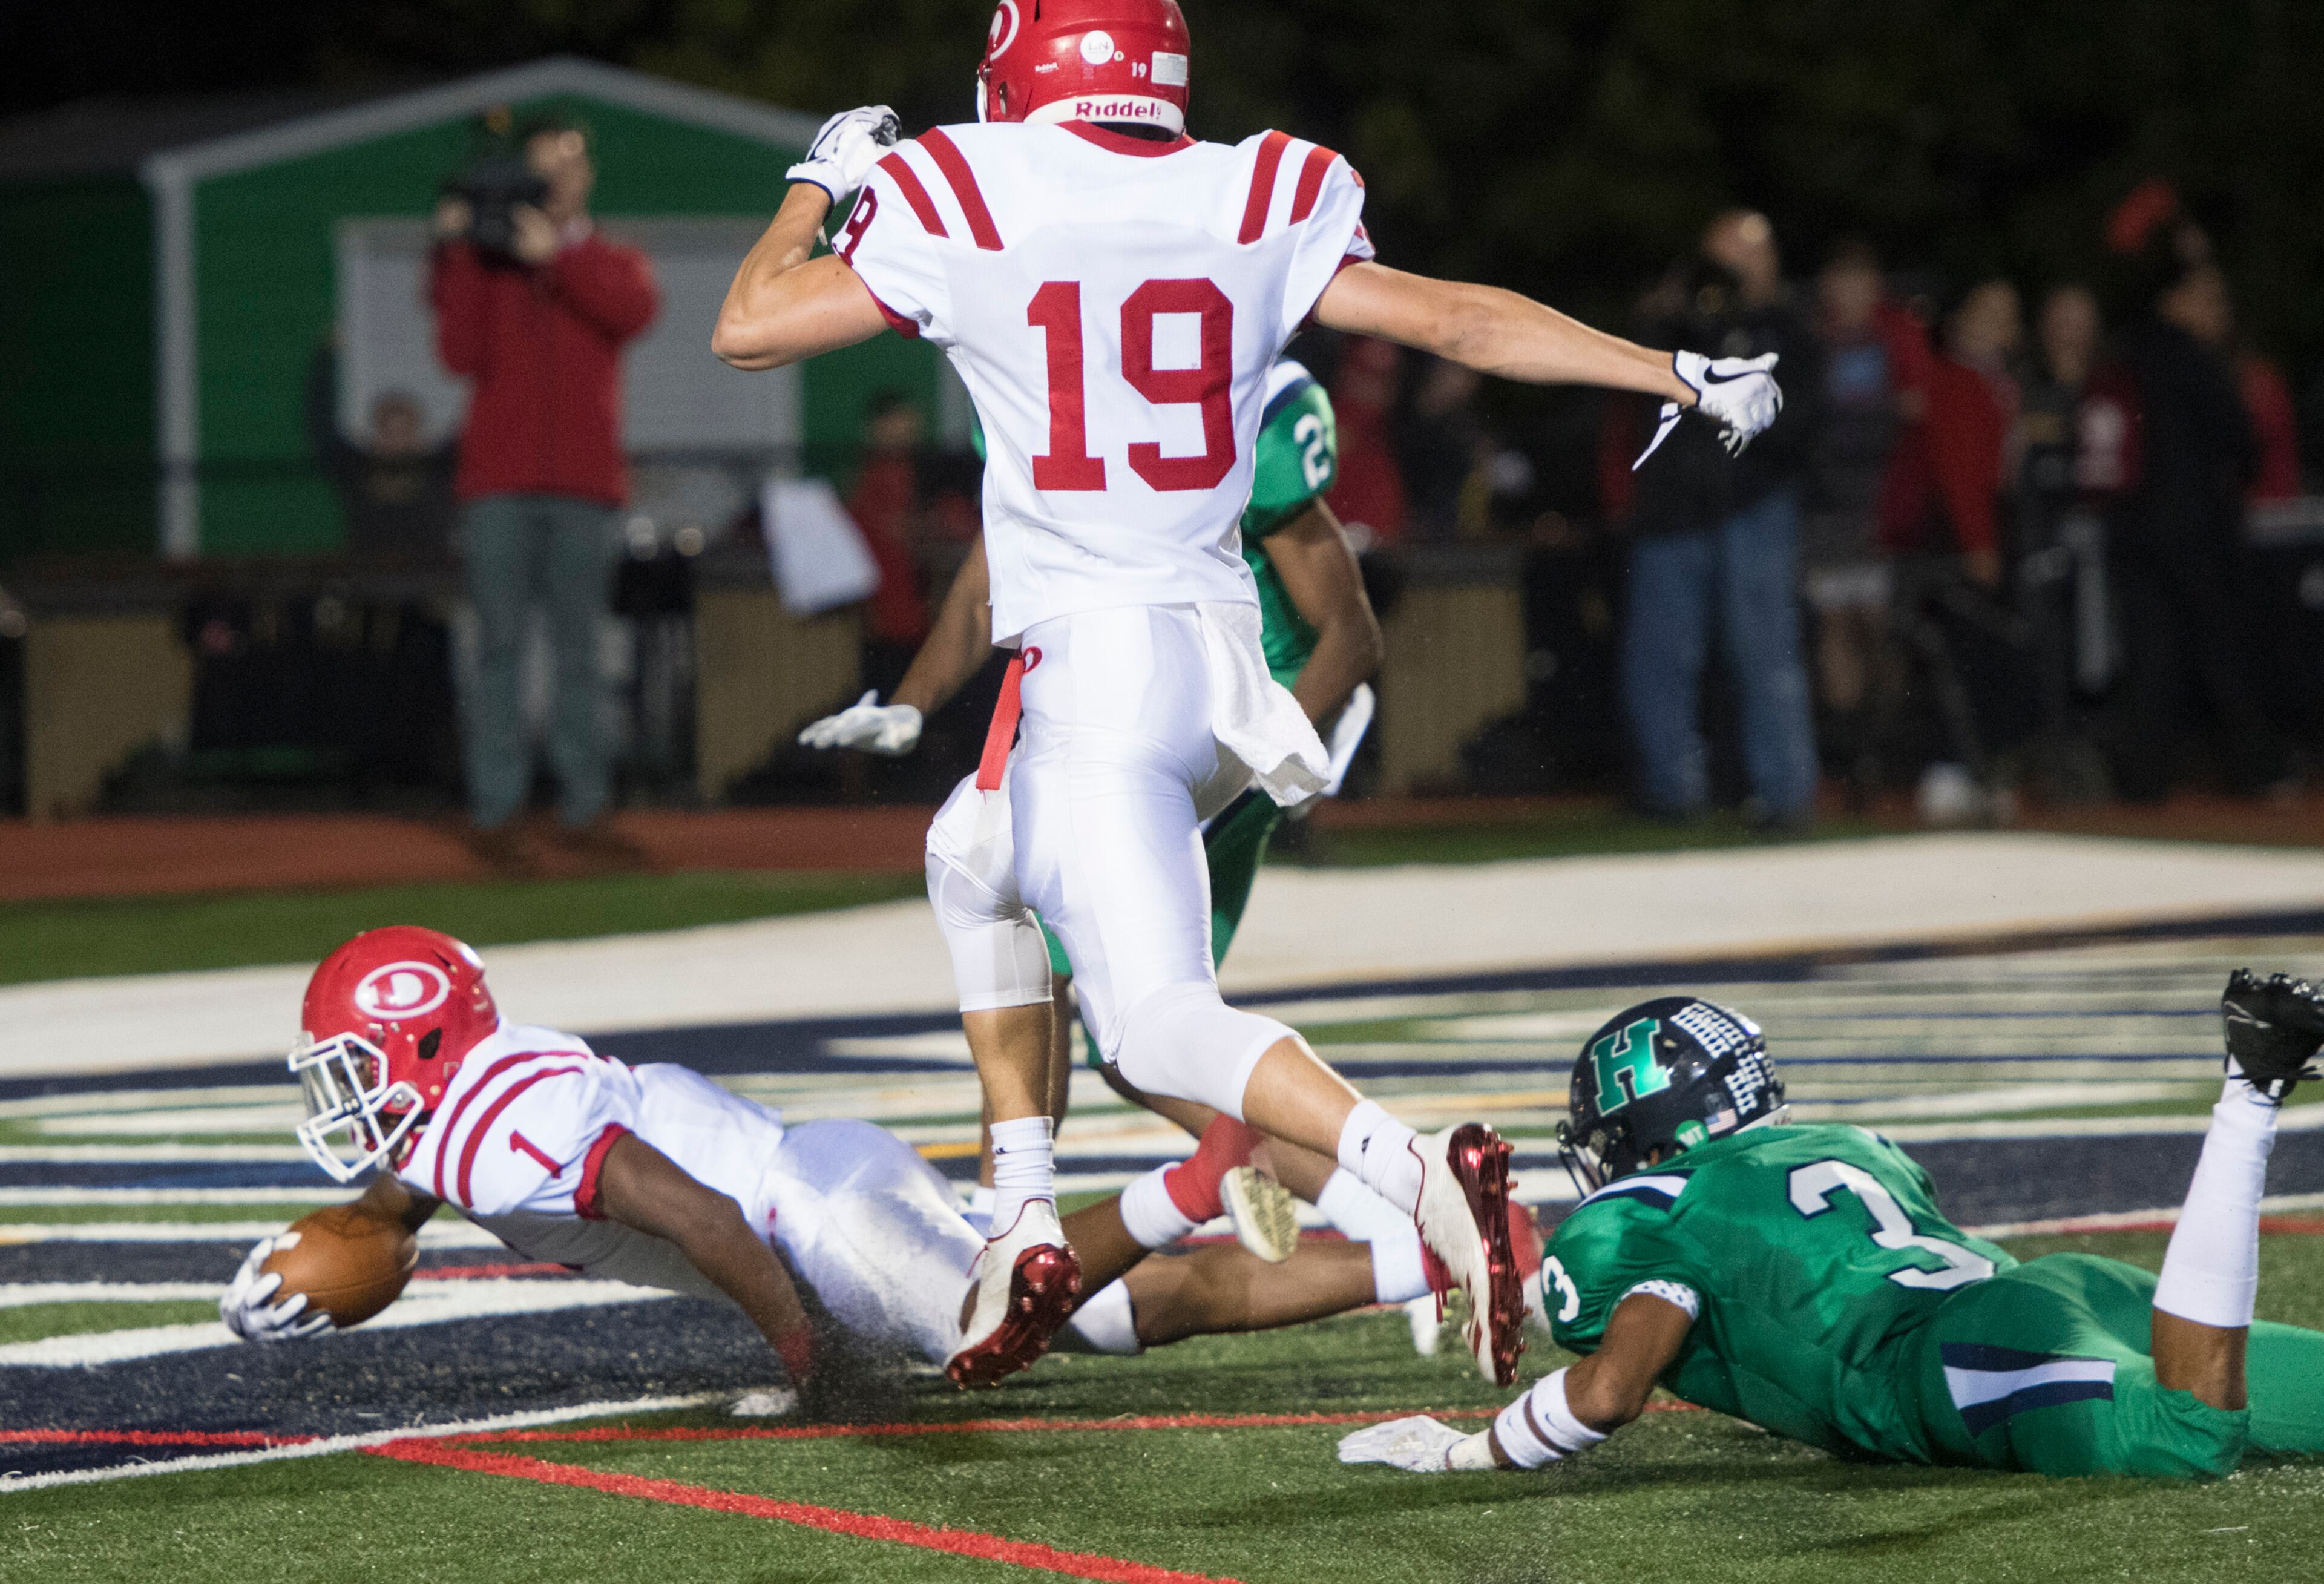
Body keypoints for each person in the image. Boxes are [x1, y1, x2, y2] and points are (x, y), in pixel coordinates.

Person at [711, 0, 1782, 1392]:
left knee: (1156, 1021)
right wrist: (1669, 372)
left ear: (1015, 64)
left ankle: (1417, 1176)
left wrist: (818, 177)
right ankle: (1023, 1211)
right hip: (1228, 669)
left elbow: (746, 327)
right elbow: (1457, 319)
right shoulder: (1253, 185)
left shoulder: (963, 183)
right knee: (967, 851)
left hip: (1098, 670)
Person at [804, 355, 1393, 1367]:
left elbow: (1349, 626)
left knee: (1102, 1003)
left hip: (1208, 735)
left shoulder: (1242, 392)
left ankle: (1391, 1204)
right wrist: (911, 697)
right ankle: (1329, 1193)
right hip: (1107, 715)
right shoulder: (1038, 383)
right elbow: (994, 572)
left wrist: (1275, 748)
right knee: (1114, 1027)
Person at [219, 927, 1443, 1389]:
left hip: (808, 1213)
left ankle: (1196, 1174)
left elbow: (698, 1218)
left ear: (423, 1047)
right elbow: (395, 1206)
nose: (344, 1092)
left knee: (985, 1333)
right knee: (1120, 1320)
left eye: (356, 1064)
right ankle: (1418, 1259)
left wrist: (813, 1363)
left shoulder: (490, 1132)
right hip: (826, 1181)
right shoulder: (474, 1101)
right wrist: (318, 1266)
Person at [1341, 976, 2324, 1479]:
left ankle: (2249, 1087)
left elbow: (1609, 1390)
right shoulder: (1847, 1141)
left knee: (2188, 1434)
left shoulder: (1640, 1215)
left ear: (1639, 1131)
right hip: (2054, 1291)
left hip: (1954, 1361)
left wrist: (1471, 1449)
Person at [431, 115, 660, 864]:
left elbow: (632, 313)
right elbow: (458, 354)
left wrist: (556, 256)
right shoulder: (488, 266)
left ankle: (582, 807)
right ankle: (497, 811)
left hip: (585, 485)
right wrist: (462, 248)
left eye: (571, 161)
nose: (559, 176)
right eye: (543, 163)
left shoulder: (608, 258)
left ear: (588, 174)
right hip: (498, 481)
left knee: (580, 653)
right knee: (497, 647)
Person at [1617, 212, 1822, 829]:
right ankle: (1668, 790)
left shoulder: (1789, 330)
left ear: (1771, 262)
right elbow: (1631, 391)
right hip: (1672, 512)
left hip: (1752, 506)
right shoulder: (1674, 324)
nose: (1730, 268)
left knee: (1764, 653)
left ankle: (1784, 796)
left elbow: (1795, 425)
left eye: (1745, 254)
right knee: (1659, 656)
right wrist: (1666, 312)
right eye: (1719, 254)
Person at [1800, 243, 1905, 797]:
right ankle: (1851, 754)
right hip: (1827, 511)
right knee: (1835, 625)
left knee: (1880, 628)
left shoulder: (1896, 345)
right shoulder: (1814, 347)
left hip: (1881, 508)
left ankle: (1885, 741)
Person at [303, 340, 458, 561]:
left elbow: (476, 427)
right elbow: (320, 424)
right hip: (368, 581)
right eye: (388, 431)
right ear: (375, 437)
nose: (396, 441)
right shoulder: (355, 469)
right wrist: (326, 356)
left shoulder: (440, 468)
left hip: (430, 581)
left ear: (420, 436)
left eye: (405, 430)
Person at [847, 390, 936, 696]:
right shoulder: (873, 476)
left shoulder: (917, 471)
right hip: (884, 614)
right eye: (900, 421)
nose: (910, 429)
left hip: (916, 614)